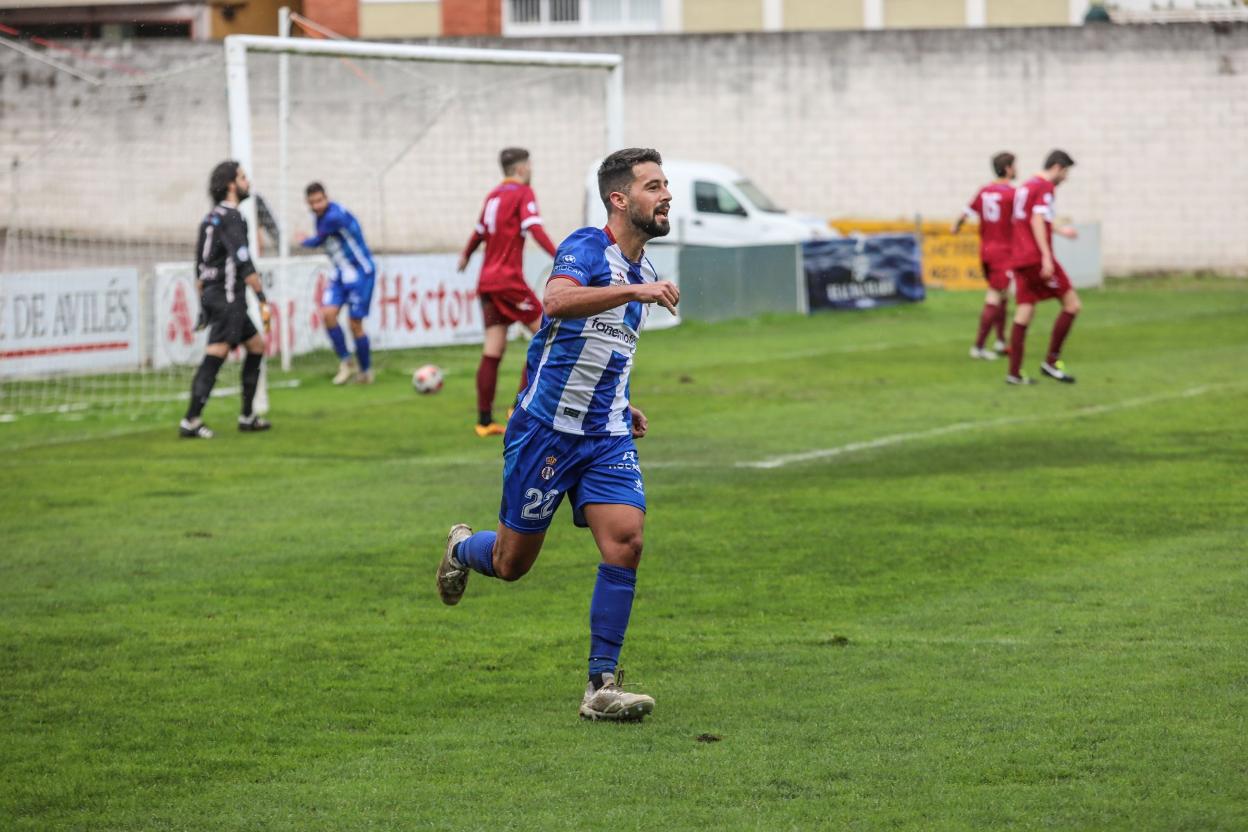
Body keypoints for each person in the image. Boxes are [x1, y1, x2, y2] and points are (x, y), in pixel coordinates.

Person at [437, 148, 681, 722]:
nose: (666, 194)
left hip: (605, 434)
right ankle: (459, 548)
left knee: (627, 540)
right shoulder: (586, 248)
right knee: (511, 562)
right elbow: (555, 302)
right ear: (620, 199)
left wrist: (624, 403)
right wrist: (632, 293)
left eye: (665, 183)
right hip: (545, 432)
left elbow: (603, 349)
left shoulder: (643, 270)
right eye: (653, 186)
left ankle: (601, 686)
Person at [458, 148, 559, 437]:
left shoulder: (493, 196)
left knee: (493, 348)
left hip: (487, 282)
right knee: (548, 332)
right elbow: (535, 227)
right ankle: (518, 407)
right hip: (508, 281)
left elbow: (478, 233)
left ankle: (484, 421)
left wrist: (466, 256)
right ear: (522, 168)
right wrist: (561, 254)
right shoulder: (523, 193)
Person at [179, 160, 271, 439]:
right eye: (243, 177)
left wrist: (204, 305)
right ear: (232, 184)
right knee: (216, 354)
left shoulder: (210, 218)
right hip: (229, 298)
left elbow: (199, 271)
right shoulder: (233, 217)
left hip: (215, 296)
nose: (248, 182)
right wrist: (262, 299)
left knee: (256, 346)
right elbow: (244, 263)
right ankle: (191, 420)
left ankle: (247, 416)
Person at [1007, 150, 1081, 385]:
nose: (1066, 178)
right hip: (1036, 258)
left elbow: (1028, 219)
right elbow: (1036, 220)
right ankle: (1051, 362)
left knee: (1024, 311)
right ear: (1057, 167)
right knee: (1072, 305)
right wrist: (1047, 257)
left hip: (1019, 256)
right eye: (1066, 172)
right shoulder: (1045, 187)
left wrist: (1060, 231)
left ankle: (1014, 373)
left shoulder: (1026, 185)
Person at [300, 183, 377, 385]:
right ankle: (346, 362)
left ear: (327, 197)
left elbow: (317, 241)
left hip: (360, 271)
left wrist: (302, 240)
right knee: (328, 314)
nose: (317, 205)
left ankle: (366, 371)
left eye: (320, 200)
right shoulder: (320, 216)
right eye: (313, 202)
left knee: (355, 324)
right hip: (340, 273)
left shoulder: (333, 217)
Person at [952, 152, 1016, 360]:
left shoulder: (984, 191)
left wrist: (955, 227)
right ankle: (978, 348)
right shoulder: (1012, 194)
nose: (1016, 169)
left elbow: (965, 213)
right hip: (1002, 253)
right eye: (1014, 166)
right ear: (1007, 168)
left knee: (1002, 294)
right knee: (995, 296)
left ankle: (999, 341)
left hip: (986, 251)